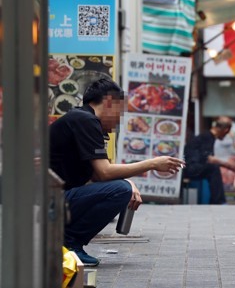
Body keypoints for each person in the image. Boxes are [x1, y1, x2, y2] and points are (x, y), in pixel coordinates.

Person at [50, 78, 185, 266]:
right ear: (108, 103)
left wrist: (129, 182)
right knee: (120, 190)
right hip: (48, 202)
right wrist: (152, 164)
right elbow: (104, 173)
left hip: (54, 198)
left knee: (122, 187)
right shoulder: (85, 120)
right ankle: (69, 243)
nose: (118, 122)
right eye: (119, 113)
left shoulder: (82, 119)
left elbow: (97, 174)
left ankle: (67, 241)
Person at [183, 116, 235, 204]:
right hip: (189, 169)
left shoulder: (208, 137)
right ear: (226, 130)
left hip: (194, 166)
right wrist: (230, 166)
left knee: (213, 168)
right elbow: (209, 159)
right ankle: (218, 201)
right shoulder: (207, 137)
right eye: (227, 132)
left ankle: (218, 200)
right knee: (213, 168)